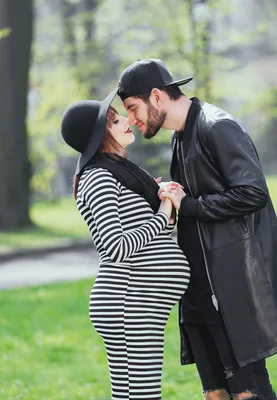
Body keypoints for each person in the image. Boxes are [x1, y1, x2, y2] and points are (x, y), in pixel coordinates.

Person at [116, 59, 277, 400]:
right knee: (215, 394)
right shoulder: (180, 136)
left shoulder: (217, 126)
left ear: (157, 97)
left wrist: (188, 204)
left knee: (249, 392)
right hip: (199, 294)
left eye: (132, 108)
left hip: (232, 289)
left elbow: (253, 193)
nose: (131, 120)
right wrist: (172, 205)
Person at [60, 88, 190, 400]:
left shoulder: (117, 172)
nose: (125, 122)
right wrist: (162, 213)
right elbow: (116, 246)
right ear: (98, 134)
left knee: (131, 396)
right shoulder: (99, 178)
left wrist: (162, 208)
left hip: (139, 302)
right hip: (129, 302)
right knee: (142, 396)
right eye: (114, 121)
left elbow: (144, 234)